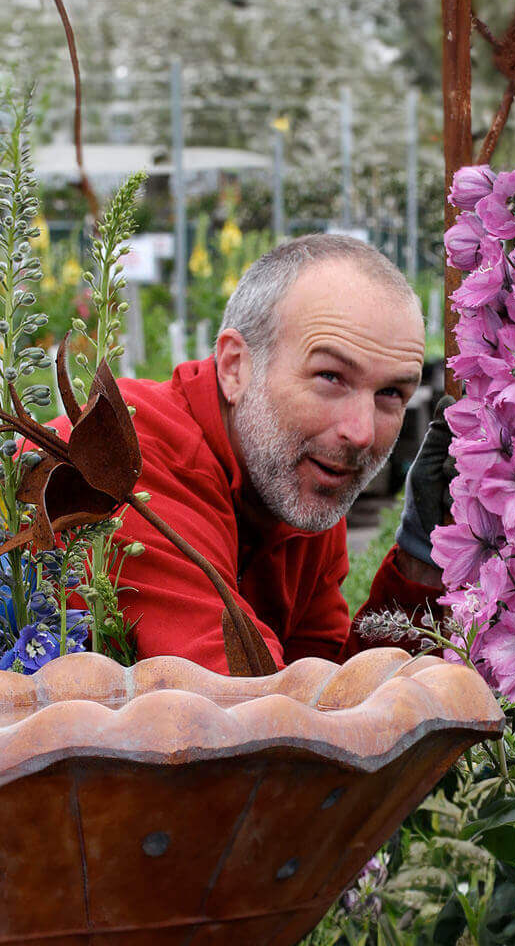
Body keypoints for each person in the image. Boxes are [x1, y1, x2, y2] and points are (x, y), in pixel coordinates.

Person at [77, 234, 448, 674]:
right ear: (235, 367)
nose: (362, 432)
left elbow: (329, 693)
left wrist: (421, 560)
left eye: (390, 393)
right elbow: (248, 710)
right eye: (330, 376)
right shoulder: (130, 456)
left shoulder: (296, 478)